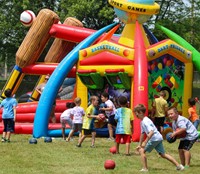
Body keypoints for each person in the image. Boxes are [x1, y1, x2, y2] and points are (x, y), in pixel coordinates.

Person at [134, 104, 184, 172]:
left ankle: (145, 169)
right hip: (158, 137)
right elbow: (142, 133)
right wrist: (139, 144)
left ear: (140, 112)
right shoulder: (143, 121)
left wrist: (145, 142)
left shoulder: (146, 121)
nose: (135, 115)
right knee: (163, 154)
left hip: (154, 138)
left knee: (141, 151)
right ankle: (179, 166)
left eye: (136, 113)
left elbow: (151, 132)